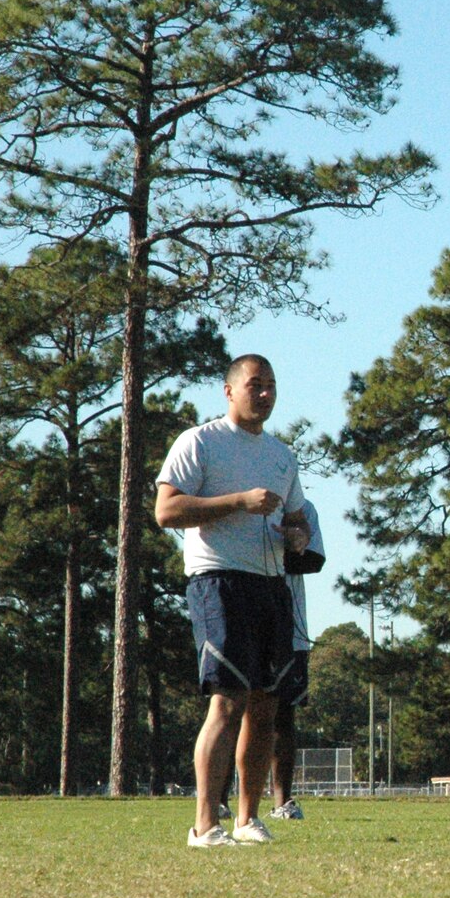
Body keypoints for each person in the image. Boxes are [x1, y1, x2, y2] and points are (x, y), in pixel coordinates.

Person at [155, 355, 309, 848]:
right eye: (254, 385)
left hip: (271, 585)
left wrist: (297, 535)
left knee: (265, 705)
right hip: (219, 582)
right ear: (228, 391)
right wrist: (238, 501)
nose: (263, 394)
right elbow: (167, 509)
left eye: (271, 386)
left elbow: (299, 517)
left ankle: (248, 819)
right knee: (227, 701)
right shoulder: (200, 442)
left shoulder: (283, 456)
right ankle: (204, 825)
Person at [218, 497, 323, 821]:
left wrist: (283, 550)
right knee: (229, 710)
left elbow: (315, 560)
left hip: (287, 623)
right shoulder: (232, 502)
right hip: (238, 616)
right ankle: (219, 800)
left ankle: (283, 802)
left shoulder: (303, 508)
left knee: (282, 715)